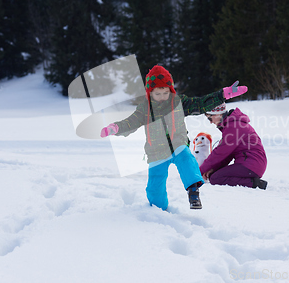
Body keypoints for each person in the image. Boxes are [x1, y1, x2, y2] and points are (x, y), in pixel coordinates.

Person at [100, 65, 247, 210]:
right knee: (154, 189)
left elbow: (200, 103)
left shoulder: (178, 103)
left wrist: (223, 94)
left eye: (165, 92)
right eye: (158, 94)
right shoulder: (145, 109)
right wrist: (116, 127)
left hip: (177, 143)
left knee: (186, 158)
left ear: (170, 90)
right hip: (156, 151)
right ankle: (158, 210)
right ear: (149, 93)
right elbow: (131, 122)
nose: (162, 97)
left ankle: (193, 191)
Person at [200, 103, 268, 189]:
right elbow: (227, 155)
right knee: (214, 176)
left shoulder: (234, 127)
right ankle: (251, 181)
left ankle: (254, 183)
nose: (210, 122)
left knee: (216, 178)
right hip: (252, 164)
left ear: (219, 114)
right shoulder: (231, 126)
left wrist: (199, 172)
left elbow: (219, 153)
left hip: (251, 165)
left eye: (210, 118)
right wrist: (213, 169)